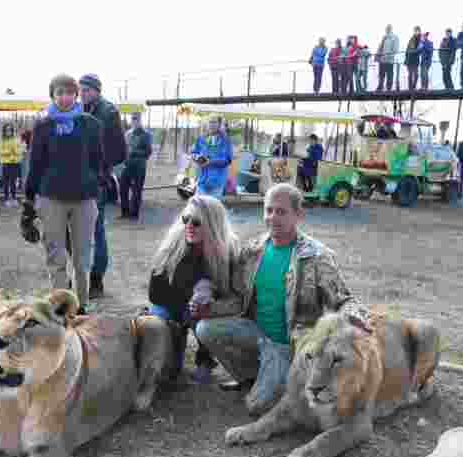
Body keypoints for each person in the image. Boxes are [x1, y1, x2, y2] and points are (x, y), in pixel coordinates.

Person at [193, 183, 364, 417]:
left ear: (298, 215)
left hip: (289, 346)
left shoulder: (317, 256)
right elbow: (237, 299)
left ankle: (279, 376)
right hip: (255, 333)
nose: (273, 217)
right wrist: (209, 307)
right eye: (269, 210)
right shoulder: (253, 250)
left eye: (281, 211)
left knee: (257, 407)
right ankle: (250, 376)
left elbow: (343, 300)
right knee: (205, 328)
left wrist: (355, 315)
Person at [21, 73, 104, 312]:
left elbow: (98, 161)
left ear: (76, 95)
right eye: (60, 92)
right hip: (51, 199)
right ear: (53, 95)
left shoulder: (90, 124)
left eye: (70, 92)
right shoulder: (44, 125)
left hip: (84, 200)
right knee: (56, 256)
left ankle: (82, 306)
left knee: (82, 258)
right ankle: (61, 307)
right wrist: (29, 201)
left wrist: (95, 182)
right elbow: (35, 164)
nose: (65, 97)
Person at [147, 195, 239, 384]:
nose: (189, 225)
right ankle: (174, 340)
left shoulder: (228, 252)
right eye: (185, 219)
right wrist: (189, 297)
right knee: (168, 371)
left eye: (196, 222)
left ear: (213, 224)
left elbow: (234, 299)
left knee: (205, 314)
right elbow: (155, 294)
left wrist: (209, 303)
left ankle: (205, 359)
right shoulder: (173, 245)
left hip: (202, 313)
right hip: (170, 307)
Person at [79, 73, 127, 301]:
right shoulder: (80, 109)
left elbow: (119, 151)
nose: (82, 93)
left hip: (96, 180)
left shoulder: (108, 112)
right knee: (76, 232)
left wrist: (98, 166)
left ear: (97, 90)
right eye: (81, 89)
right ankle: (81, 276)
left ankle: (96, 280)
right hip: (75, 181)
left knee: (96, 231)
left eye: (87, 89)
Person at [119, 111, 153, 219]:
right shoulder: (128, 134)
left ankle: (134, 214)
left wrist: (135, 152)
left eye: (136, 118)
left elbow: (148, 151)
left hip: (139, 165)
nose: (134, 121)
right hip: (128, 165)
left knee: (137, 190)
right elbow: (124, 148)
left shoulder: (146, 134)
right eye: (133, 118)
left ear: (140, 120)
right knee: (123, 187)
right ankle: (125, 212)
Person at [190, 115, 232, 199]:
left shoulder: (225, 140)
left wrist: (211, 162)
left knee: (212, 209)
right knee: (199, 207)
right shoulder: (201, 138)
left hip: (217, 182)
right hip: (202, 181)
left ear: (219, 124)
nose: (212, 124)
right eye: (210, 122)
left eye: (214, 122)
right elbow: (194, 153)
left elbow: (227, 160)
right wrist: (197, 157)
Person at [0, 123, 24, 207]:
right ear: (4, 131)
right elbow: (0, 151)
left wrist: (16, 152)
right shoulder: (2, 140)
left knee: (13, 182)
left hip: (14, 164)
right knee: (6, 182)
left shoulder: (16, 140)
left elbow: (19, 150)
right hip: (6, 164)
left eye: (10, 130)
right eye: (7, 130)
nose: (8, 132)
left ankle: (13, 198)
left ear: (12, 131)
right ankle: (6, 199)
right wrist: (9, 152)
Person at [378, 26, 400, 91]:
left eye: (388, 28)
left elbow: (395, 49)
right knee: (381, 74)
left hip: (389, 59)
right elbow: (380, 47)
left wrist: (389, 56)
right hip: (382, 59)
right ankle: (380, 86)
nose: (387, 29)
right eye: (386, 28)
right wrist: (379, 56)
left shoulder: (395, 37)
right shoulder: (384, 37)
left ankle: (389, 88)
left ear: (391, 29)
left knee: (389, 74)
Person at [406, 27, 423, 91]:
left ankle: (413, 86)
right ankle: (410, 87)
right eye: (415, 31)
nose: (416, 32)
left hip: (415, 59)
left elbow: (420, 49)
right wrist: (406, 59)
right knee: (410, 74)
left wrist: (415, 50)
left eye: (418, 31)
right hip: (409, 59)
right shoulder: (411, 39)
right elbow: (408, 49)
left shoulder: (420, 39)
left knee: (416, 74)